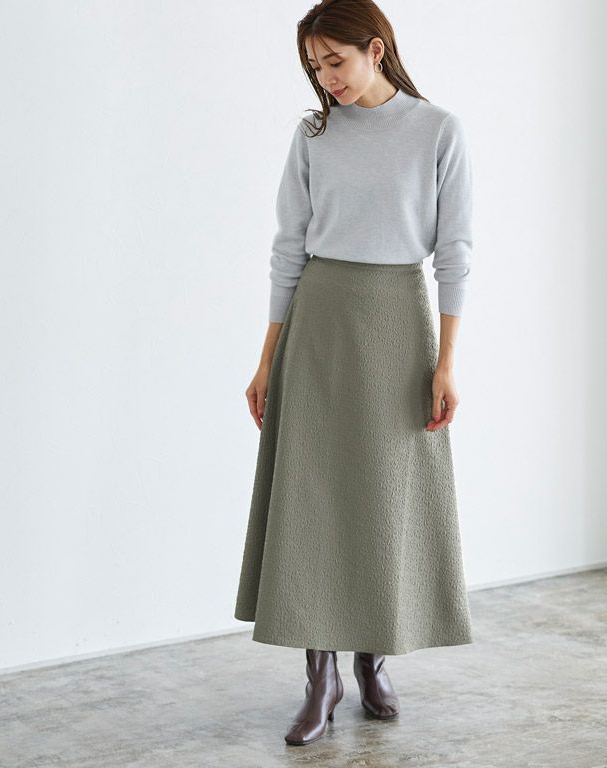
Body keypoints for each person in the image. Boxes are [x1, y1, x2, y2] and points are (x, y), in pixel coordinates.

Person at [234, 0, 474, 747]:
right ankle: (321, 677)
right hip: (320, 323)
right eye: (315, 66)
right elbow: (288, 249)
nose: (325, 78)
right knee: (312, 496)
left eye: (334, 61)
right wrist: (266, 360)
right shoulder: (315, 136)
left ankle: (373, 660)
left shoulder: (437, 131)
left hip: (400, 321)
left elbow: (455, 253)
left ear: (376, 48)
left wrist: (446, 362)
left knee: (384, 497)